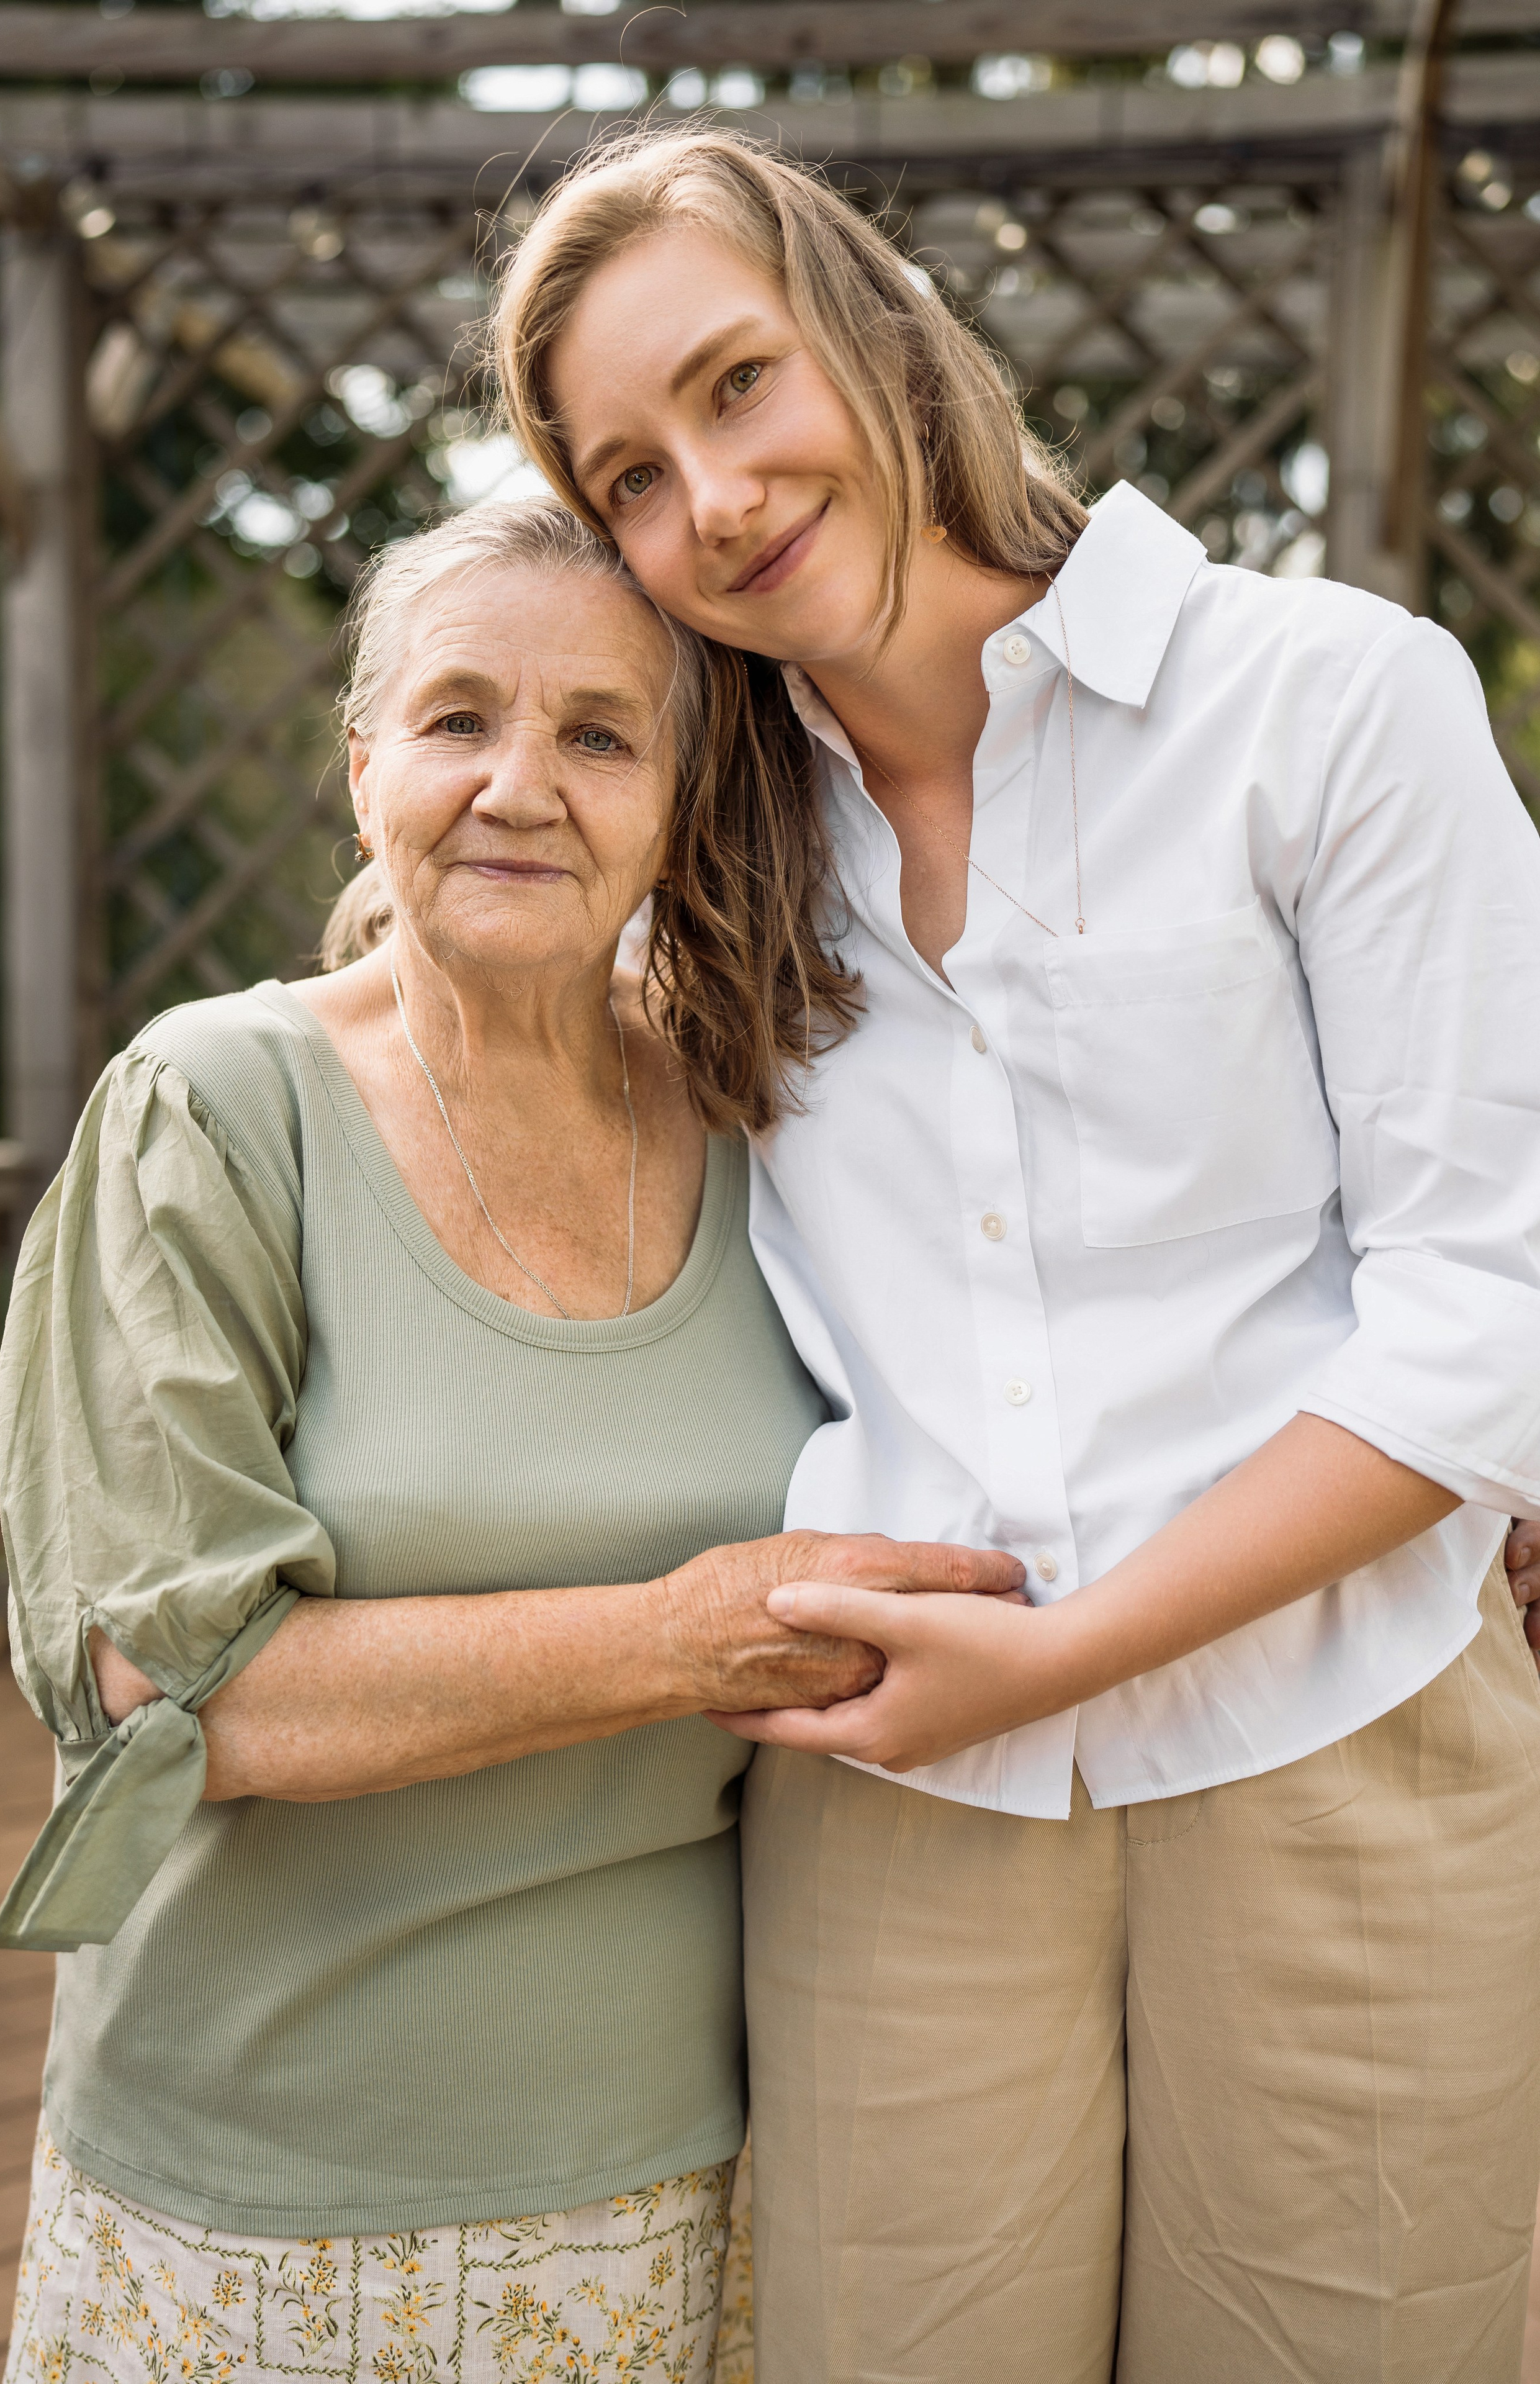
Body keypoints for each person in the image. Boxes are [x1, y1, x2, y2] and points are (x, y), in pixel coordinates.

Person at [493, 129, 1540, 2382]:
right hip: (893, 1789)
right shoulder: (704, 867)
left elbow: (1494, 1305)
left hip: (1350, 1732)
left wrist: (1064, 1660)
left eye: (737, 385)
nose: (720, 498)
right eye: (635, 483)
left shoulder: (1332, 704)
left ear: (877, 333)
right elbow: (461, 962)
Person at [0, 496, 1017, 2384]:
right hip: (267, 2191)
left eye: (600, 733)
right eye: (460, 718)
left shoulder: (759, 1112)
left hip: (685, 2174)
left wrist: (1468, 1496)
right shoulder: (216, 1110)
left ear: (680, 793)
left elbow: (1040, 1370)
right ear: (365, 759)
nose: (520, 785)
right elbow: (178, 1686)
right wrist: (679, 1637)